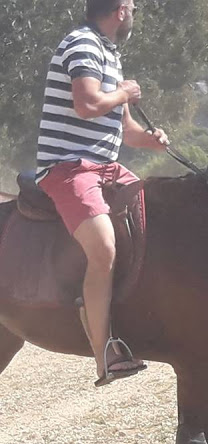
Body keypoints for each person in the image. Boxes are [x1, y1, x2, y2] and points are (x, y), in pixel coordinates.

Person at [35, 0, 169, 386]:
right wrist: (124, 92)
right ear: (120, 10)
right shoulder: (82, 44)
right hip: (68, 167)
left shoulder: (110, 53)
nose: (135, 13)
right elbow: (88, 103)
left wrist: (151, 140)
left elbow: (125, 130)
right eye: (133, 6)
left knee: (156, 217)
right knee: (104, 248)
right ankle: (103, 353)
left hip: (107, 167)